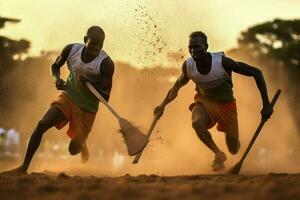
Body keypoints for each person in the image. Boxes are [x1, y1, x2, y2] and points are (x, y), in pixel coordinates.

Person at [154, 31, 273, 171]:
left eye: (197, 47)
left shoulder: (222, 62)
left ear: (206, 46)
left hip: (227, 105)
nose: (193, 51)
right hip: (205, 103)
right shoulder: (188, 66)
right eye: (190, 47)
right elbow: (176, 88)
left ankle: (231, 139)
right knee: (196, 123)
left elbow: (256, 73)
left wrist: (266, 104)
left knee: (233, 148)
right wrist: (162, 105)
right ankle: (218, 154)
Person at [6, 26, 115, 174]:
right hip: (69, 97)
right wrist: (57, 79)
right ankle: (23, 167)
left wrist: (91, 82)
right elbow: (55, 66)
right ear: (85, 40)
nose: (95, 49)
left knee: (73, 150)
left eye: (99, 45)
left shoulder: (106, 64)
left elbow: (105, 97)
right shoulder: (71, 50)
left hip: (87, 109)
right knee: (41, 125)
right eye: (92, 45)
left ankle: (81, 143)